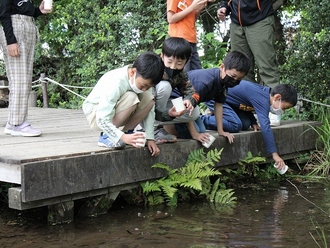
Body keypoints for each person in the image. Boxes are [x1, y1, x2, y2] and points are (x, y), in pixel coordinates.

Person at [82, 52, 164, 157]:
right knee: (131, 97)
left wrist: (150, 138)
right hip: (95, 115)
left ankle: (128, 133)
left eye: (148, 87)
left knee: (149, 99)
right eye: (143, 85)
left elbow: (150, 110)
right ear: (133, 72)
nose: (145, 89)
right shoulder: (117, 82)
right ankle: (106, 136)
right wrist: (121, 137)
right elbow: (101, 119)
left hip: (114, 115)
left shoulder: (141, 79)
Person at [202, 81, 297, 170]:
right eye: (285, 107)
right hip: (215, 97)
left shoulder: (264, 94)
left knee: (245, 123)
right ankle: (202, 119)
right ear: (277, 98)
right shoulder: (263, 99)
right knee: (235, 125)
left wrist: (253, 122)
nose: (282, 111)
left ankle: (215, 117)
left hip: (229, 102)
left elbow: (246, 104)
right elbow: (266, 126)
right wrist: (274, 154)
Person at [169, 51, 250, 144]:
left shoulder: (223, 82)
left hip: (190, 106)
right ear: (222, 67)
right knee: (192, 133)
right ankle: (166, 126)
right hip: (175, 100)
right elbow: (186, 105)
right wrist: (195, 134)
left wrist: (221, 131)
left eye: (239, 79)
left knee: (202, 130)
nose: (234, 80)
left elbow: (218, 105)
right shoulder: (205, 82)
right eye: (233, 76)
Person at [0, 0, 53, 137]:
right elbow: (4, 12)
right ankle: (16, 124)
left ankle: (16, 122)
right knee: (19, 79)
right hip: (16, 28)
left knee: (25, 80)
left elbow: (22, 8)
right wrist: (11, 40)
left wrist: (38, 11)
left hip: (28, 26)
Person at [217, 0, 279, 89]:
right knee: (240, 69)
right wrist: (224, 6)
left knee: (266, 67)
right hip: (236, 23)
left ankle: (274, 101)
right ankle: (246, 101)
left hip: (260, 19)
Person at [154, 37, 201, 143]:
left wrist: (189, 100)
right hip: (146, 107)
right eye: (169, 62)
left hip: (161, 109)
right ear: (162, 56)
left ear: (186, 62)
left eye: (179, 64)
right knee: (164, 87)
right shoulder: (154, 68)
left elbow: (190, 90)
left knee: (194, 112)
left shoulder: (182, 73)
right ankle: (153, 129)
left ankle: (159, 126)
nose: (173, 67)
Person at [167, 0, 208, 71]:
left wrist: (198, 10)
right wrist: (192, 7)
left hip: (191, 39)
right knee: (183, 73)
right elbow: (170, 19)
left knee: (197, 72)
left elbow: (191, 19)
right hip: (179, 40)